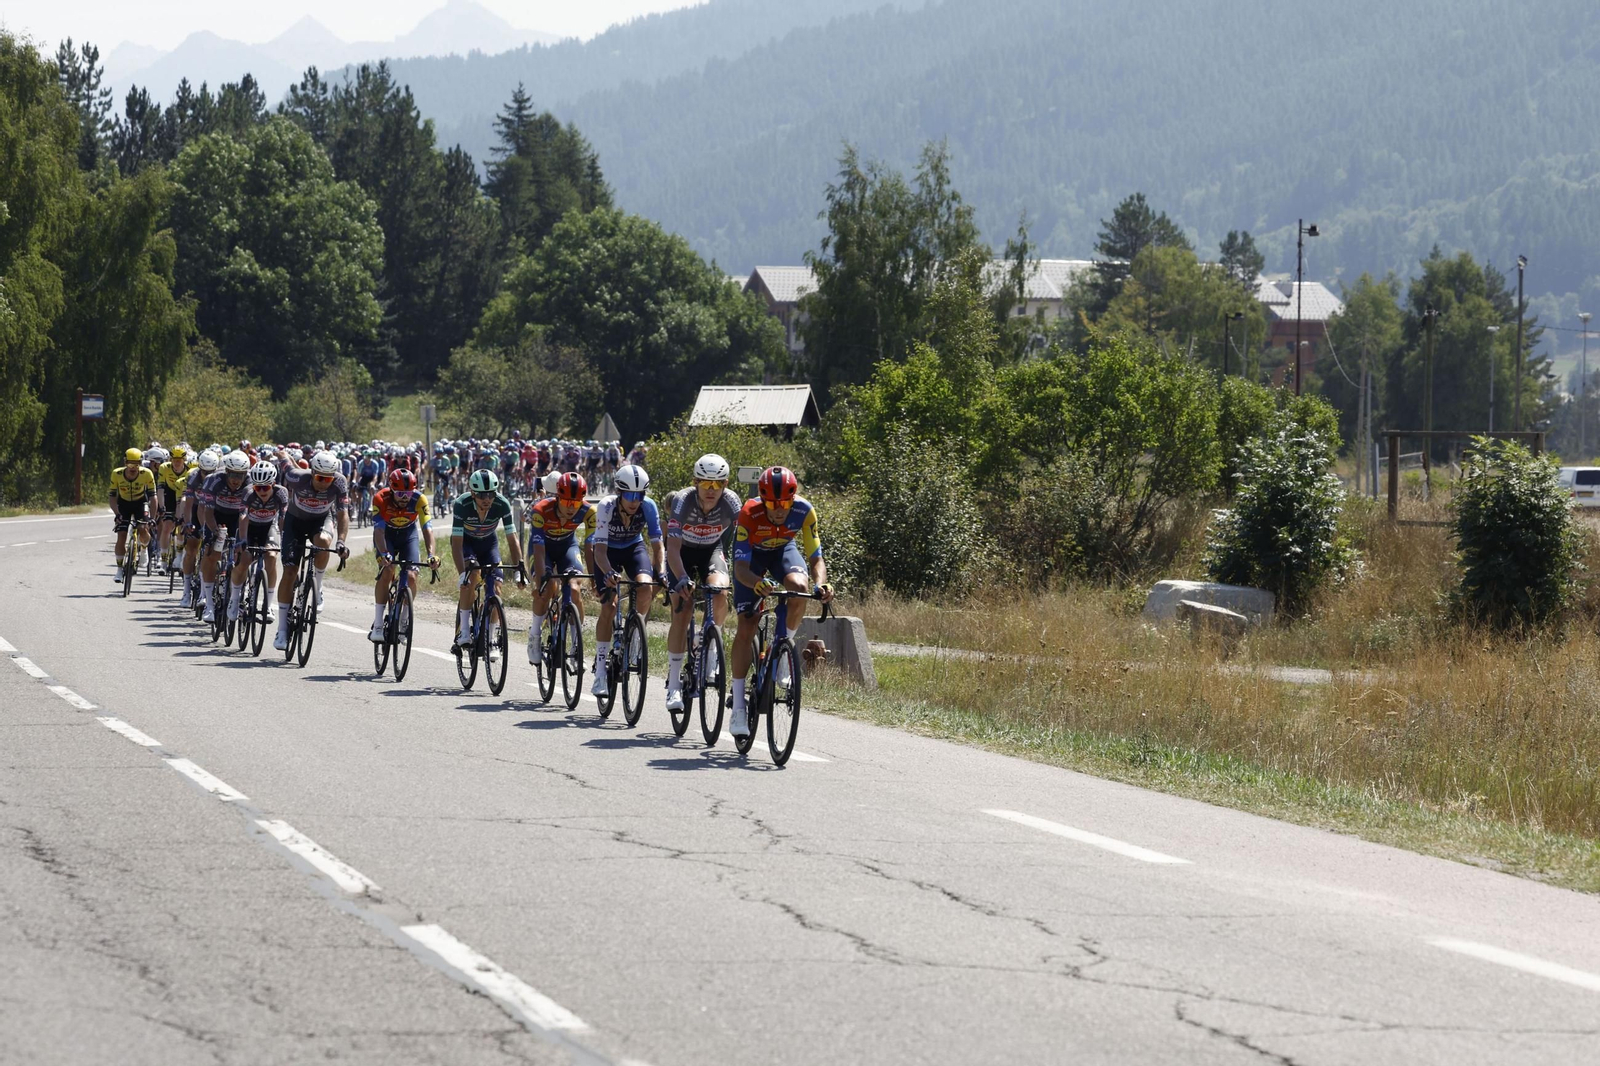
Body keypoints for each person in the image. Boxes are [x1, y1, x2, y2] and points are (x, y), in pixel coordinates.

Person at [729, 466, 833, 739]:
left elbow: (815, 558)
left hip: (783, 551)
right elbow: (739, 568)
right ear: (763, 500)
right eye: (773, 504)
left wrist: (821, 584)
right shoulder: (749, 513)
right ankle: (738, 705)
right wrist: (756, 583)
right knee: (747, 623)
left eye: (785, 503)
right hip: (751, 559)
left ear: (793, 499)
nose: (779, 509)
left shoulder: (804, 511)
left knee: (800, 589)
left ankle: (783, 653)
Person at [662, 454, 741, 713]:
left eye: (717, 485)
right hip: (682, 553)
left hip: (711, 550)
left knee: (720, 592)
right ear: (695, 482)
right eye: (705, 484)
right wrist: (682, 578)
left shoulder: (732, 503)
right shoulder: (682, 501)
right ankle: (674, 684)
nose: (711, 490)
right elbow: (672, 548)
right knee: (682, 609)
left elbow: (745, 542)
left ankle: (712, 647)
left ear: (726, 484)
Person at [589, 464, 663, 697]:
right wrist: (609, 572)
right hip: (607, 551)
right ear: (620, 493)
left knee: (645, 586)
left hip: (633, 547)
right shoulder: (606, 506)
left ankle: (635, 639)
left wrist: (660, 571)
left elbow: (658, 545)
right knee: (609, 606)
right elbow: (599, 551)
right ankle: (600, 672)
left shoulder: (648, 507)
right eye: (629, 495)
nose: (634, 500)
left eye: (639, 495)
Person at [272, 450, 350, 651]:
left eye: (328, 478)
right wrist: (281, 454)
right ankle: (281, 630)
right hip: (294, 522)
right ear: (312, 471)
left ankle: (318, 584)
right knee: (290, 572)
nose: (324, 482)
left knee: (324, 540)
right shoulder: (297, 478)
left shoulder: (339, 483)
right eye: (320, 477)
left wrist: (341, 541)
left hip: (320, 520)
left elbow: (342, 514)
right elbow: (286, 465)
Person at [450, 469, 525, 649]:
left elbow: (512, 538)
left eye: (491, 494)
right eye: (482, 495)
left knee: (496, 587)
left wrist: (519, 568)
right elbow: (456, 543)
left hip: (489, 544)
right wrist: (462, 574)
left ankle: (491, 638)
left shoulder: (502, 504)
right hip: (466, 544)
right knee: (471, 577)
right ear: (473, 493)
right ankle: (464, 632)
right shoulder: (462, 504)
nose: (487, 499)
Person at [526, 472, 595, 665]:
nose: (571, 508)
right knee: (546, 589)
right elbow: (538, 550)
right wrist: (540, 581)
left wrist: (595, 578)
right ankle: (535, 635)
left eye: (576, 503)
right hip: (543, 549)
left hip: (567, 547)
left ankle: (576, 645)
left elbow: (590, 547)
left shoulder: (589, 512)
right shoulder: (541, 510)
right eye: (567, 503)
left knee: (574, 589)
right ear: (557, 497)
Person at [368, 469, 439, 640]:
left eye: (408, 493)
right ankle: (378, 625)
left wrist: (431, 554)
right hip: (387, 536)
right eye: (400, 493)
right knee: (388, 570)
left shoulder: (419, 499)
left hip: (408, 535)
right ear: (391, 489)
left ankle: (404, 619)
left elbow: (427, 530)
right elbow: (378, 531)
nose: (405, 497)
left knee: (412, 576)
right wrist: (384, 552)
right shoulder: (380, 498)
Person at [227, 461, 288, 622]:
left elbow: (282, 519)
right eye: (258, 487)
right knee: (245, 559)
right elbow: (243, 516)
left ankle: (267, 604)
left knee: (272, 557)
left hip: (269, 527)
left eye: (265, 487)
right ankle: (234, 600)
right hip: (250, 527)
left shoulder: (281, 493)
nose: (261, 491)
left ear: (273, 484)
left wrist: (286, 540)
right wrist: (242, 541)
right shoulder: (248, 492)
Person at [198, 451, 253, 622]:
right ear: (226, 471)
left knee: (243, 555)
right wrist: (215, 532)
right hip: (217, 516)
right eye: (232, 474)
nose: (236, 479)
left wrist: (242, 538)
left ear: (246, 474)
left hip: (239, 517)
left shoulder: (251, 484)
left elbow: (248, 514)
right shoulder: (213, 480)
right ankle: (208, 603)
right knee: (212, 554)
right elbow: (208, 512)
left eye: (240, 475)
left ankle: (238, 595)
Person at [109, 447, 156, 582]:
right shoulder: (116, 474)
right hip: (123, 504)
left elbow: (153, 497)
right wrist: (117, 513)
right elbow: (112, 497)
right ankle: (119, 570)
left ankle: (144, 549)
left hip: (140, 503)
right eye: (130, 464)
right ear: (125, 463)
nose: (133, 468)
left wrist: (151, 518)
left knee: (143, 528)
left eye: (136, 464)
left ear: (141, 464)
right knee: (121, 535)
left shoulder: (147, 474)